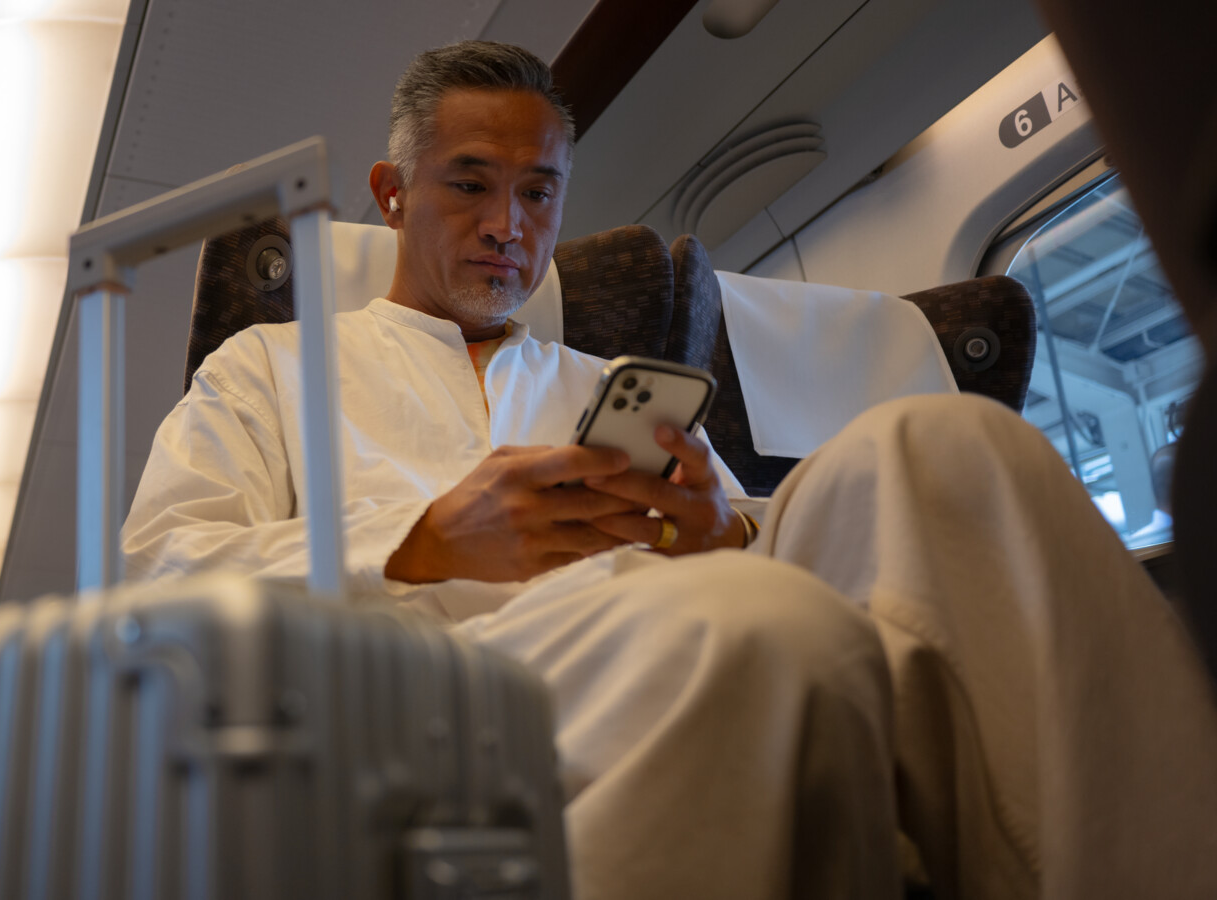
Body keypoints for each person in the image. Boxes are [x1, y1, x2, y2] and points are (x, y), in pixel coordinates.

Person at [122, 41, 1217, 899]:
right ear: (393, 191)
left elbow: (767, 528)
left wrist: (721, 530)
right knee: (753, 630)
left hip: (651, 606)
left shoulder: (604, 382)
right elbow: (164, 583)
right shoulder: (271, 364)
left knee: (953, 448)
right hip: (432, 693)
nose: (510, 226)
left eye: (539, 193)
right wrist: (416, 544)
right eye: (469, 185)